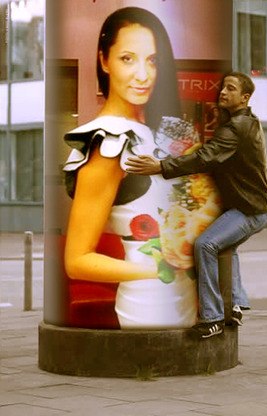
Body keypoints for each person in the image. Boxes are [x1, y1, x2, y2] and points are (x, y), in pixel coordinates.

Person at [62, 7, 221, 329]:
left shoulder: (156, 133)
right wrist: (161, 268)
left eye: (153, 60)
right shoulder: (107, 142)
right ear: (104, 61)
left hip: (186, 297)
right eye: (127, 59)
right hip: (147, 304)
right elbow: (77, 261)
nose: (143, 75)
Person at [125, 71, 267, 338]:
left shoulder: (235, 128)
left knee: (205, 245)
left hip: (249, 210)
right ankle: (235, 303)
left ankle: (212, 318)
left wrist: (161, 166)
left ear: (245, 97)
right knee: (227, 246)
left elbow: (205, 157)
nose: (223, 92)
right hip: (254, 206)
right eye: (223, 87)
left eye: (230, 88)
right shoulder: (248, 121)